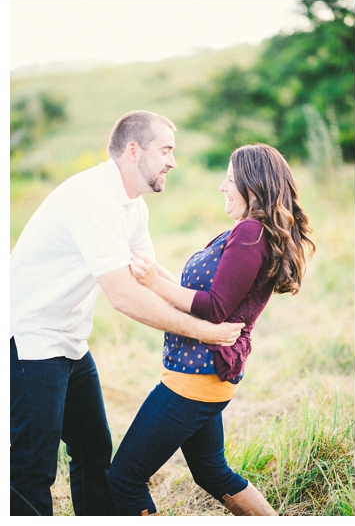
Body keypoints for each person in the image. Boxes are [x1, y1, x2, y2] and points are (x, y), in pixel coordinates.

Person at [10, 110, 245, 516]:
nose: (173, 161)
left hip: (68, 340)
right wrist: (205, 333)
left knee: (94, 448)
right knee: (32, 467)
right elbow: (124, 296)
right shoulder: (93, 199)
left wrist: (209, 312)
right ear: (133, 150)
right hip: (28, 340)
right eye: (166, 150)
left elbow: (151, 279)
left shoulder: (132, 206)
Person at [106, 143, 315, 516]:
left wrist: (154, 282)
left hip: (195, 379)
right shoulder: (248, 231)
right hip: (203, 374)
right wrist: (154, 271)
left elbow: (216, 307)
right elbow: (202, 293)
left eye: (230, 180)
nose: (222, 187)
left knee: (124, 477)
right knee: (211, 471)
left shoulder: (251, 233)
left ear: (253, 185)